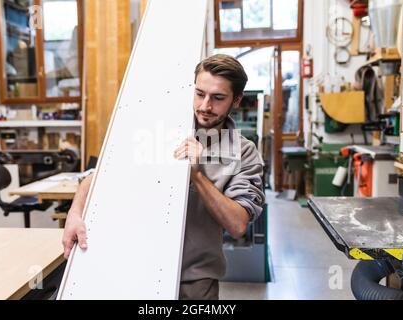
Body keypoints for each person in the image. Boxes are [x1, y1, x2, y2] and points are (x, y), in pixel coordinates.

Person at [62, 54, 265, 300]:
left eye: (218, 98)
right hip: (137, 270)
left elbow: (237, 224)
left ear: (237, 100)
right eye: (199, 94)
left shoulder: (244, 152)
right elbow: (95, 178)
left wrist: (197, 175)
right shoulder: (160, 130)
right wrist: (74, 215)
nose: (205, 106)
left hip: (195, 279)